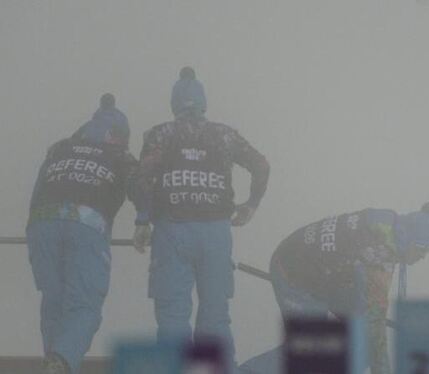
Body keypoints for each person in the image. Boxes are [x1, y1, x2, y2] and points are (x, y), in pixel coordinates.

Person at [132, 67, 270, 368]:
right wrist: (250, 206)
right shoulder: (224, 135)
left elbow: (142, 178)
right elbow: (261, 165)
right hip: (216, 234)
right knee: (216, 316)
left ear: (174, 104)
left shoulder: (160, 134)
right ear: (203, 103)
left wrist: (142, 220)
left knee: (171, 316)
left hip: (172, 231)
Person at [26, 94, 138, 374]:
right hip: (87, 225)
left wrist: (32, 228)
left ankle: (55, 362)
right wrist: (144, 221)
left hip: (42, 224)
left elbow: (38, 189)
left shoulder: (60, 148)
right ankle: (61, 362)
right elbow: (140, 188)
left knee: (53, 300)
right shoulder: (120, 155)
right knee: (84, 304)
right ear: (117, 135)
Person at [266, 203, 429, 374]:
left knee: (362, 345)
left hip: (325, 273)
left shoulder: (388, 225)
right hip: (293, 272)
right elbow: (375, 318)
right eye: (421, 249)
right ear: (407, 239)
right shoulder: (378, 250)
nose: (422, 257)